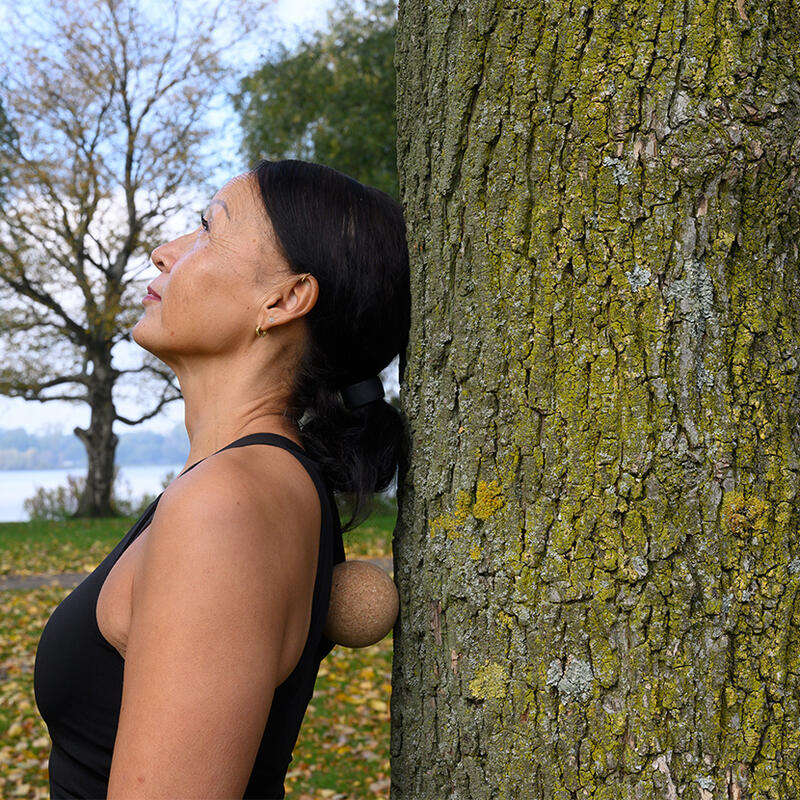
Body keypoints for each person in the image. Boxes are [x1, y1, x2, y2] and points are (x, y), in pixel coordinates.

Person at [33, 159, 410, 799]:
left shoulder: (226, 504)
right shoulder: (242, 484)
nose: (163, 253)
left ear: (285, 299)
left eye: (206, 231)